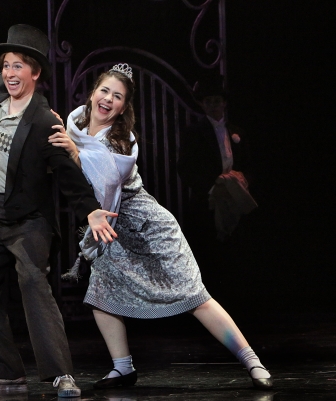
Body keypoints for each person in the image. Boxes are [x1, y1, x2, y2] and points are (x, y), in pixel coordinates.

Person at [48, 64, 273, 390]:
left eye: (117, 96)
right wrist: (68, 142)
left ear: (124, 107)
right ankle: (123, 368)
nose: (108, 99)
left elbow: (105, 178)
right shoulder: (76, 124)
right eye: (104, 91)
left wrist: (75, 154)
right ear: (93, 92)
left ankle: (252, 361)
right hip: (113, 228)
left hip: (147, 225)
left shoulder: (123, 140)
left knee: (194, 295)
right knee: (100, 295)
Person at [0, 25, 117, 398]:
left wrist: (91, 212)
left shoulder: (45, 121)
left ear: (35, 73)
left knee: (33, 284)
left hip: (29, 221)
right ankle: (4, 373)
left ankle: (61, 373)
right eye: (6, 65)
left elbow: (67, 175)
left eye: (18, 66)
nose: (10, 73)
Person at [177, 74, 256, 242]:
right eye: (208, 101)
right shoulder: (193, 133)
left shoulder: (237, 132)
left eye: (217, 101)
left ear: (224, 103)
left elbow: (248, 165)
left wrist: (241, 182)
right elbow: (185, 169)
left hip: (234, 197)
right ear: (202, 104)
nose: (213, 105)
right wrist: (213, 188)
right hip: (207, 203)